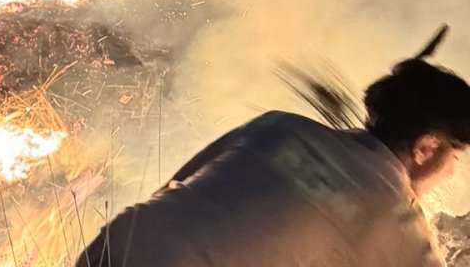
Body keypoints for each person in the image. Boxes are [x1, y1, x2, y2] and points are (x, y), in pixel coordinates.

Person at [78, 26, 468, 267]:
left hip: (114, 248)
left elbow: (176, 186)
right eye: (455, 156)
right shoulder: (398, 223)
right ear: (425, 148)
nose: (452, 171)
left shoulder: (282, 126)